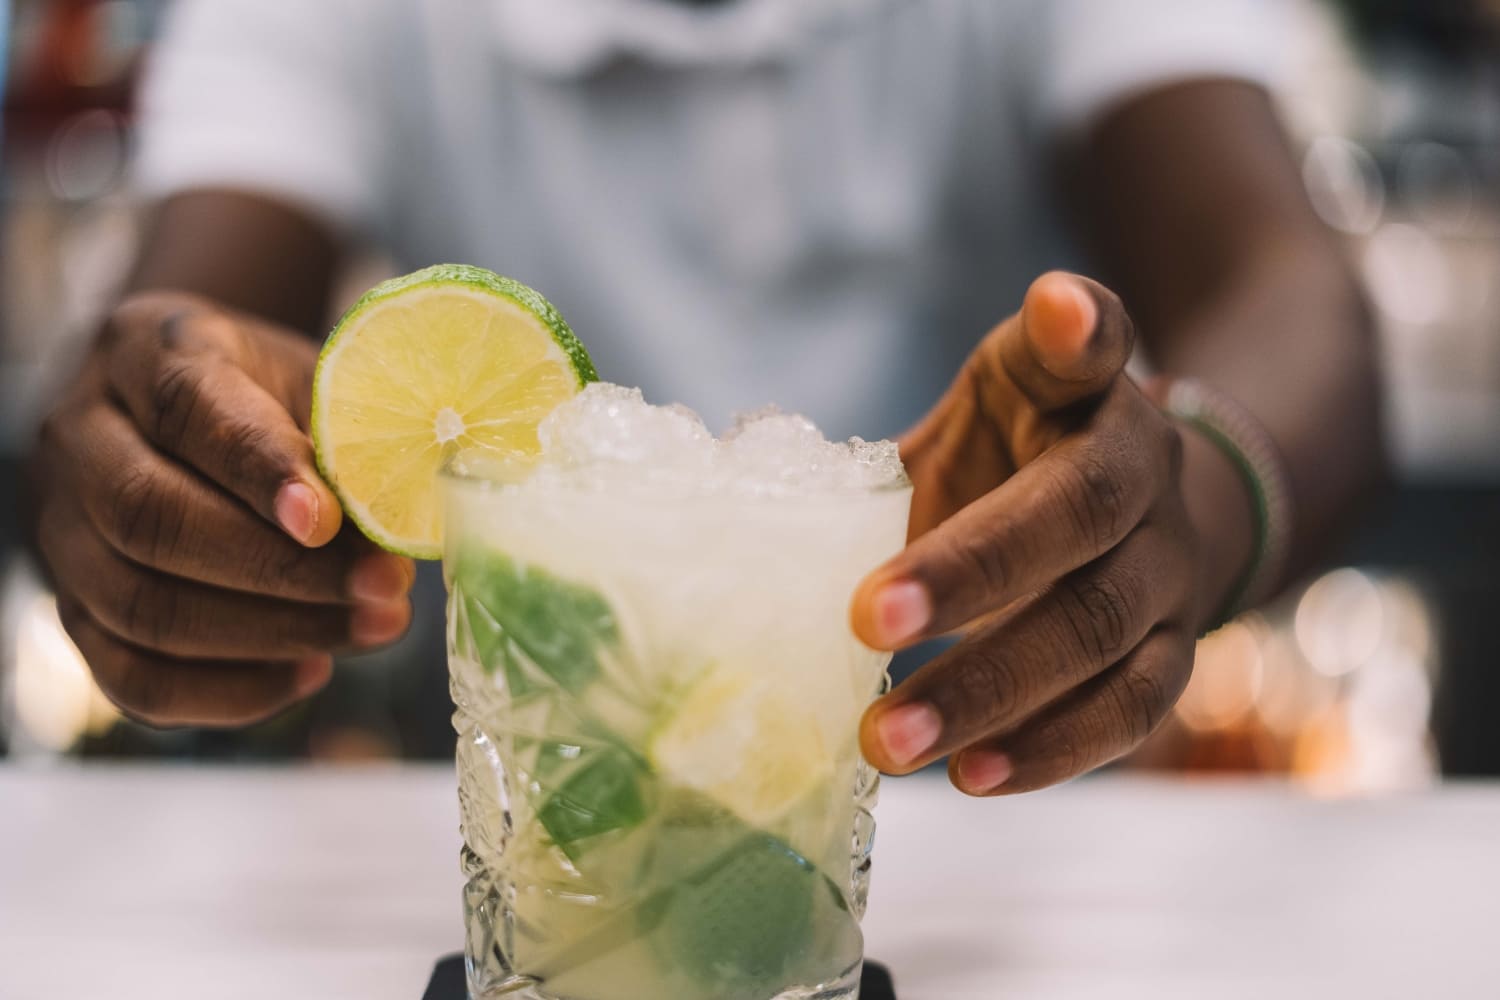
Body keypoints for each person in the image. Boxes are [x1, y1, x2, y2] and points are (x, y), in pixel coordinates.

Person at [23, 0, 1381, 795]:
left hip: (1015, 807)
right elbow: (185, 322)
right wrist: (141, 468)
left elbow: (1292, 294)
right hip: (554, 814)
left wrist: (1195, 494)